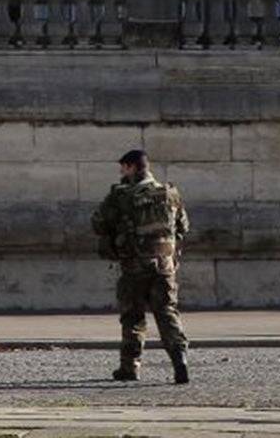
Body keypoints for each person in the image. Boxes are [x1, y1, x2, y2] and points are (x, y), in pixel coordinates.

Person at [91, 147, 190, 384]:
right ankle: (180, 361)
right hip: (165, 265)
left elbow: (98, 224)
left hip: (134, 265)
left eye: (123, 168)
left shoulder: (121, 195)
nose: (120, 173)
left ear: (132, 167)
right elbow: (183, 227)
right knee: (167, 311)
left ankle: (130, 366)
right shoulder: (169, 193)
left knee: (133, 316)